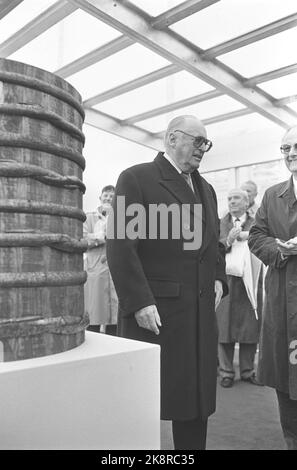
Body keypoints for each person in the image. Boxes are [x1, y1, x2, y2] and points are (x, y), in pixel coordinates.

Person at [106, 115, 228, 450]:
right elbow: (120, 245)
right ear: (172, 138)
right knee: (145, 405)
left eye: (207, 143)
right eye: (197, 140)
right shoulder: (137, 179)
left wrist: (219, 278)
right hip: (157, 315)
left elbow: (214, 243)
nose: (203, 149)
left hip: (199, 316)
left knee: (195, 406)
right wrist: (139, 301)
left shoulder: (208, 189)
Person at [248, 126, 297, 450]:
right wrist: (281, 249)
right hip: (282, 298)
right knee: (285, 376)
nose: (290, 153)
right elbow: (256, 236)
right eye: (284, 148)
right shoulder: (272, 194)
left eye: (295, 146)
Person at [216, 189, 262, 388]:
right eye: (229, 199)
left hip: (249, 281)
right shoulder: (219, 223)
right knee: (223, 327)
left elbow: (264, 242)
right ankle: (226, 371)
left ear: (246, 202)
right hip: (225, 281)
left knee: (249, 327)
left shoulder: (257, 222)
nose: (231, 202)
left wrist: (248, 237)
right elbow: (211, 247)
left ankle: (247, 371)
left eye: (236, 198)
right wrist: (228, 240)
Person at [84, 185, 118, 335]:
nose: (108, 199)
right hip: (95, 269)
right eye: (106, 196)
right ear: (100, 197)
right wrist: (101, 236)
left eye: (112, 196)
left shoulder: (120, 218)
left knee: (114, 315)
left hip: (115, 270)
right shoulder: (88, 217)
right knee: (94, 314)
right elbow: (82, 238)